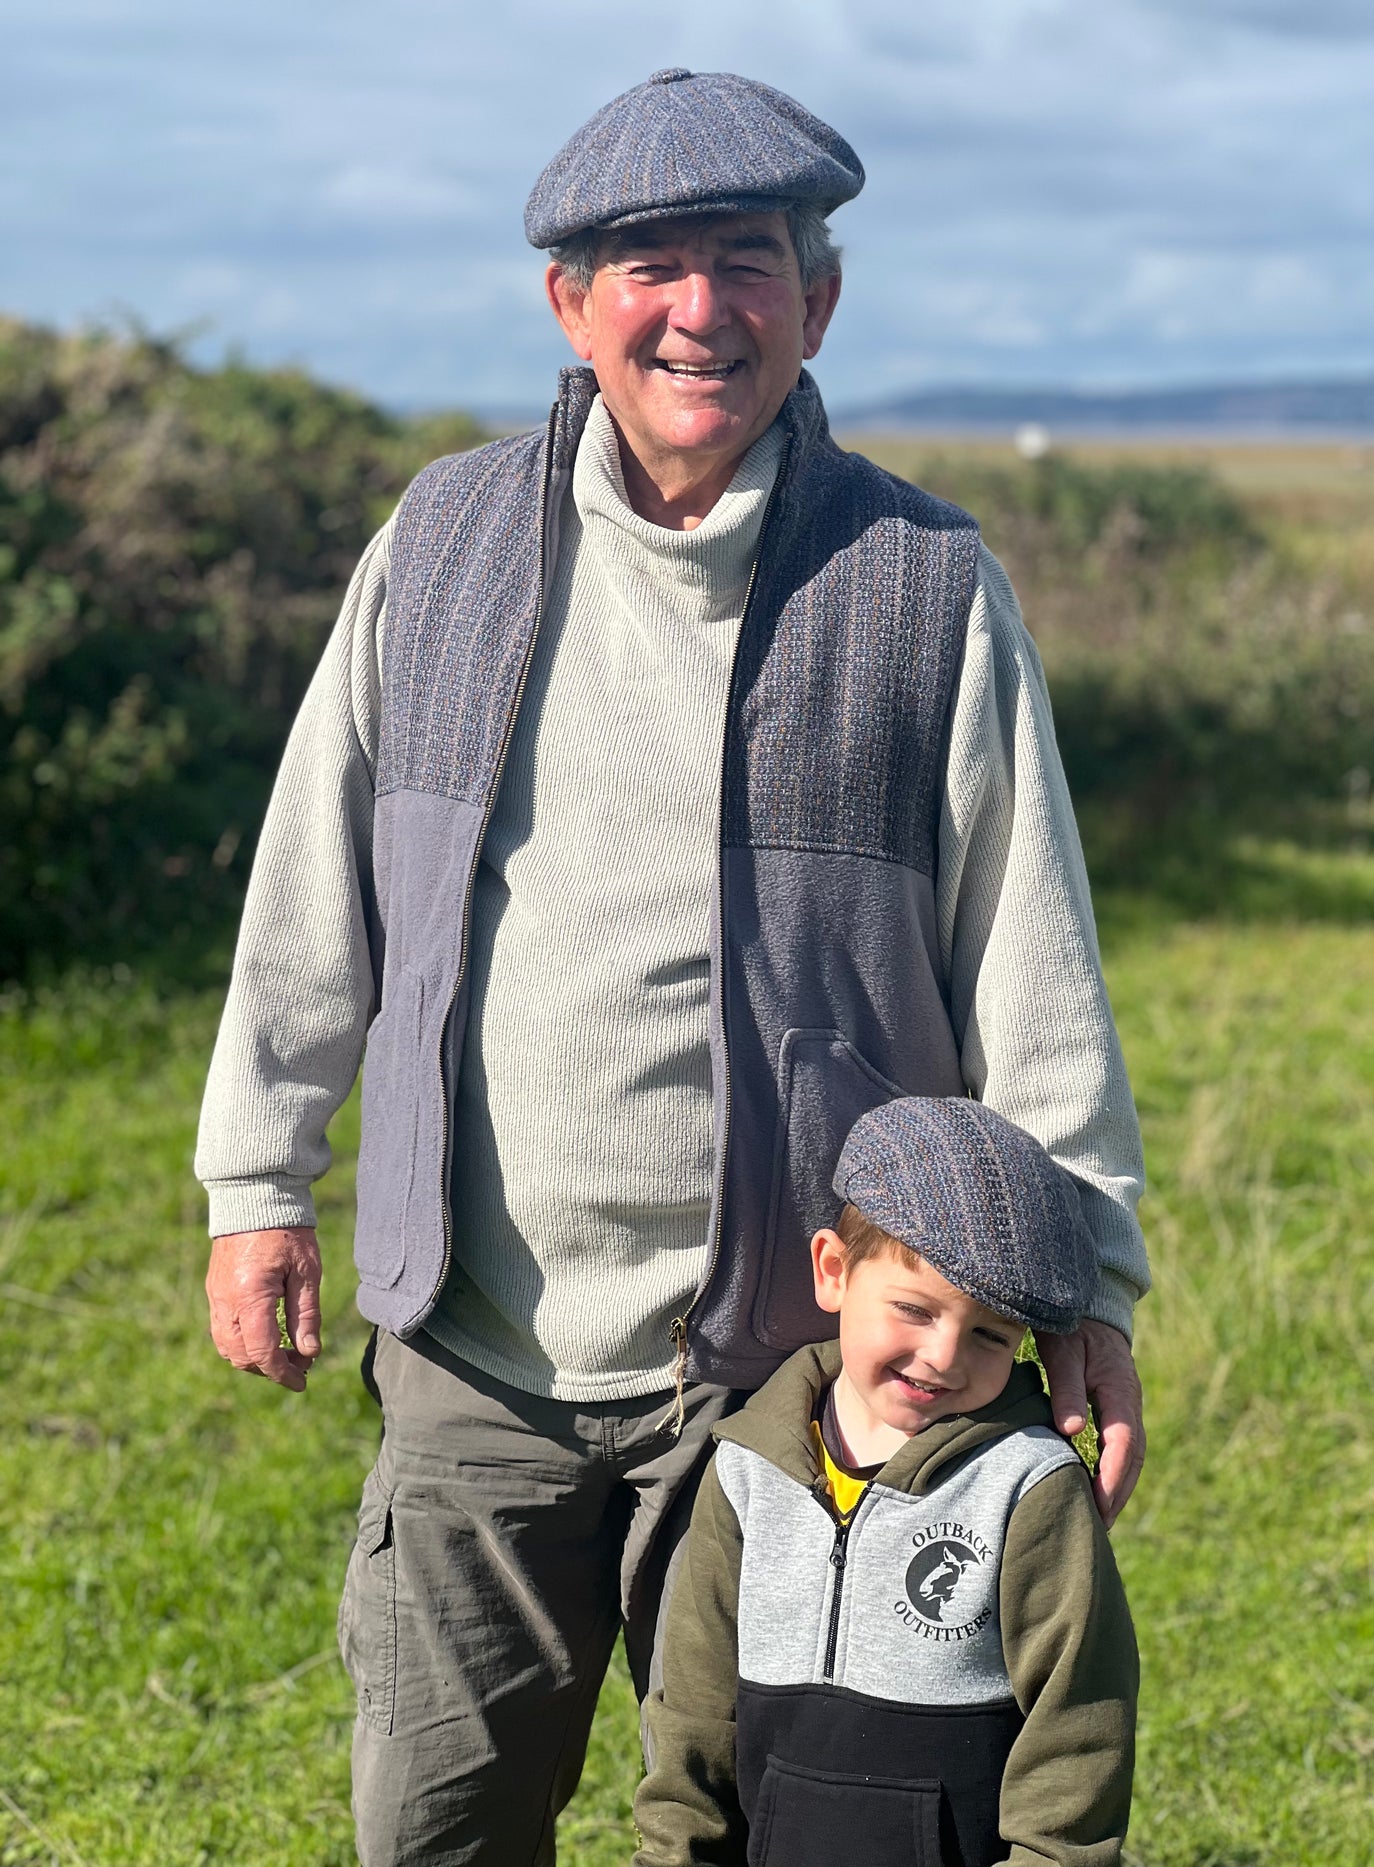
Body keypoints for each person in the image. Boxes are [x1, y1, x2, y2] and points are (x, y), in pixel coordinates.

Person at [194, 67, 1149, 1866]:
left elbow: (1034, 950)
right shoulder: (445, 540)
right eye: (646, 261)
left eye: (747, 257)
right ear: (569, 301)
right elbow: (314, 874)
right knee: (439, 1824)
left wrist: (1086, 1286)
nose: (698, 306)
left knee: (790, 1830)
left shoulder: (922, 582)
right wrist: (259, 1176)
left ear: (820, 299)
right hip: (479, 1347)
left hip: (789, 1366)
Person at [632, 1095, 1138, 1867]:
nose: (943, 1355)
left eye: (990, 1334)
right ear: (833, 1270)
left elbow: (1078, 1733)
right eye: (913, 1308)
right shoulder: (744, 1469)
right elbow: (693, 1722)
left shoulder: (1029, 1486)